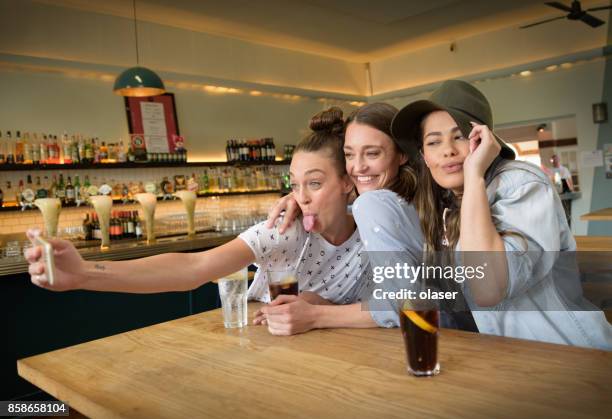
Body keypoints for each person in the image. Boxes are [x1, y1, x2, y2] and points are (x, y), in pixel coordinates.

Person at [24, 109, 373, 335]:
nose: (302, 198)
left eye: (314, 183)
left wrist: (323, 309)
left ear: (348, 181)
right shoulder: (284, 230)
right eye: (294, 185)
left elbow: (409, 301)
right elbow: (194, 267)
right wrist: (85, 273)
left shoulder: (379, 231)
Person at [383, 79, 612, 349]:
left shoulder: (522, 184)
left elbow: (488, 287)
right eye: (434, 142)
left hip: (568, 353)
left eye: (460, 136)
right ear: (423, 155)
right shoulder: (445, 204)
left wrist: (474, 174)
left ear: (485, 140)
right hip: (506, 357)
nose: (447, 150)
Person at [260, 102, 424, 331]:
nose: (357, 167)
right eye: (349, 155)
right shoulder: (414, 201)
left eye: (372, 153)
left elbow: (409, 305)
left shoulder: (371, 205)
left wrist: (316, 315)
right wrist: (301, 197)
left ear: (402, 154)